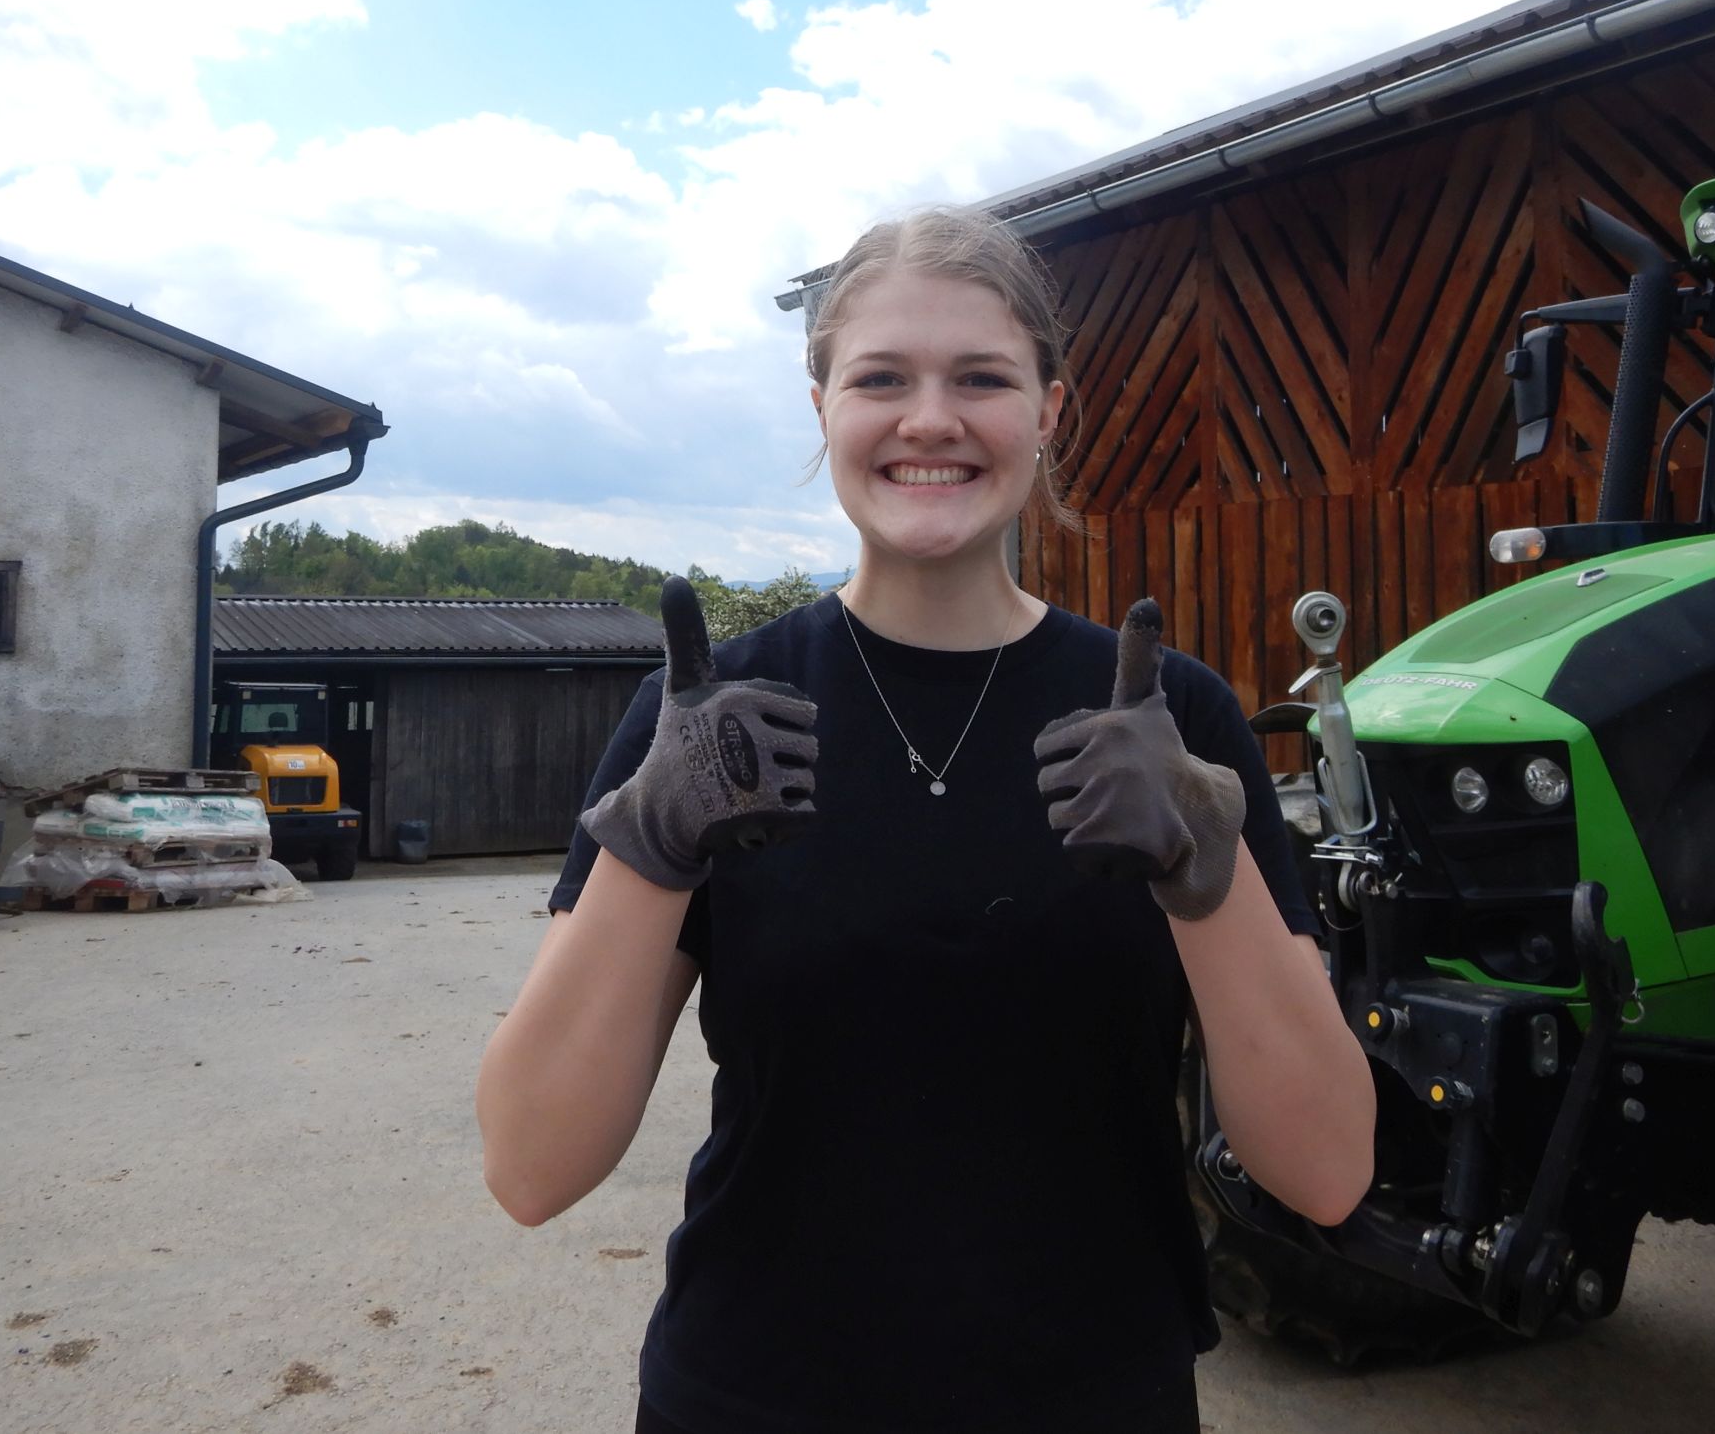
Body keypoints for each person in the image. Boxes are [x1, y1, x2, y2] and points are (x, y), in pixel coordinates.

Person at [476, 207, 1374, 1434]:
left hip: (1096, 1401)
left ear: (1049, 409)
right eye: (881, 379)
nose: (931, 419)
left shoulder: (1170, 723)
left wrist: (1203, 873)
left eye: (981, 379)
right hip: (752, 1400)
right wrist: (652, 845)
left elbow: (1325, 1171)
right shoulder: (707, 722)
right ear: (822, 409)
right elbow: (531, 1167)